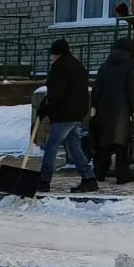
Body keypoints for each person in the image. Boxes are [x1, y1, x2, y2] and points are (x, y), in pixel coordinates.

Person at [36, 38, 97, 193]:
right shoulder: (77, 65)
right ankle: (89, 178)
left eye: (53, 54)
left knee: (51, 146)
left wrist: (44, 109)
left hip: (64, 114)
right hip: (77, 113)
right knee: (74, 147)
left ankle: (44, 180)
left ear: (57, 53)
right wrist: (44, 107)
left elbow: (56, 93)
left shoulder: (60, 67)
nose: (52, 57)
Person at [91, 37, 134, 184]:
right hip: (122, 110)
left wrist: (94, 106)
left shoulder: (105, 66)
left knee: (104, 143)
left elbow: (97, 88)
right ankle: (122, 175)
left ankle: (99, 172)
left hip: (104, 108)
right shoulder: (131, 65)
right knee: (121, 144)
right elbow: (132, 88)